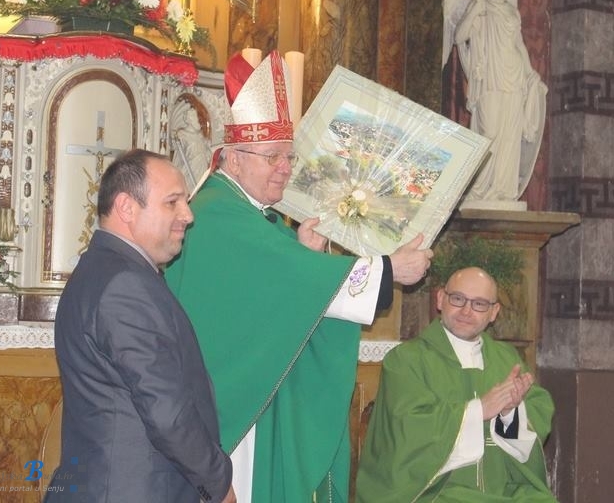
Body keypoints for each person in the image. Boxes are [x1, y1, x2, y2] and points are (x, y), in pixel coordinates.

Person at [165, 50, 434, 503]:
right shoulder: (218, 214)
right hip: (227, 405)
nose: (286, 168)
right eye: (272, 157)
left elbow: (275, 280)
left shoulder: (247, 213)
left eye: (289, 157)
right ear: (232, 158)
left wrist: (300, 251)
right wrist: (390, 269)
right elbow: (287, 279)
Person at [46, 149, 235, 503]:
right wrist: (218, 482)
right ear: (127, 208)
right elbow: (167, 411)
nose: (188, 214)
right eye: (172, 202)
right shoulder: (124, 284)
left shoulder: (107, 271)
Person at [355, 266, 556, 502]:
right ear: (441, 299)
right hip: (434, 491)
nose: (466, 311)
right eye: (458, 299)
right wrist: (479, 409)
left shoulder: (507, 358)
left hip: (502, 487)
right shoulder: (406, 360)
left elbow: (538, 410)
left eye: (479, 304)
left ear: (494, 312)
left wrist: (511, 413)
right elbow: (407, 428)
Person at [453, 0, 547, 204]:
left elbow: (519, 46)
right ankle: (478, 190)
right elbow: (459, 37)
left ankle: (502, 192)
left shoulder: (511, 12)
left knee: (509, 137)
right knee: (490, 131)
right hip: (490, 80)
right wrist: (478, 7)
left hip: (513, 78)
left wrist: (530, 73)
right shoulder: (479, 8)